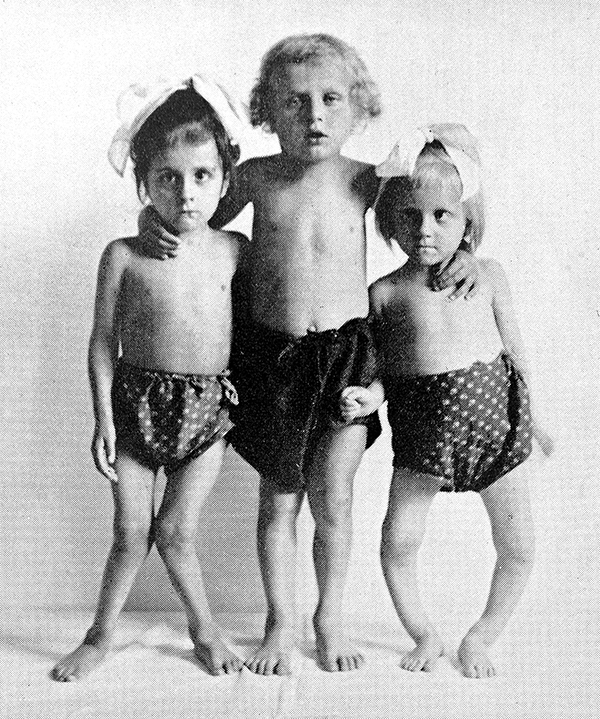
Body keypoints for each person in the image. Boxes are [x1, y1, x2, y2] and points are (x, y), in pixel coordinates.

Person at [139, 35, 478, 675]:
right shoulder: (255, 178)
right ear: (268, 110)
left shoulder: (370, 181)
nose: (314, 116)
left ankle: (330, 618)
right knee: (278, 501)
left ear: (360, 108)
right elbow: (195, 210)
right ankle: (282, 621)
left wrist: (459, 251)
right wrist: (150, 219)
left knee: (334, 501)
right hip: (271, 359)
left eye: (330, 100)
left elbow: (437, 208)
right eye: (295, 103)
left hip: (349, 358)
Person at [52, 75, 248, 681]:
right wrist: (103, 418)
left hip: (208, 412)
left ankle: (204, 627)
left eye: (201, 176)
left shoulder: (234, 249)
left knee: (175, 531)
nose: (186, 193)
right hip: (135, 404)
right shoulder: (124, 254)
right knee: (131, 532)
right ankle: (101, 633)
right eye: (167, 178)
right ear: (144, 184)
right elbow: (100, 343)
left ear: (221, 177)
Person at [340, 124, 554, 678]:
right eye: (410, 215)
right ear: (391, 218)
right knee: (396, 542)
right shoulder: (383, 294)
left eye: (442, 215)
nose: (425, 230)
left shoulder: (489, 276)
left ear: (468, 221)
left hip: (496, 431)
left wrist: (538, 420)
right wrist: (370, 397)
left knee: (520, 546)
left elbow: (517, 352)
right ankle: (424, 633)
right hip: (423, 442)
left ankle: (482, 636)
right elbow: (389, 367)